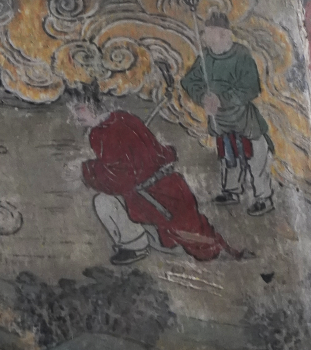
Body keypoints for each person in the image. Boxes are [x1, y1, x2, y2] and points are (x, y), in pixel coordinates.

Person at [68, 84, 239, 267]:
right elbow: (144, 158)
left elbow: (120, 179)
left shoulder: (100, 133)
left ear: (91, 104)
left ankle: (135, 246)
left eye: (79, 109)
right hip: (170, 192)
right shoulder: (123, 118)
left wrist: (85, 170)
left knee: (103, 201)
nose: (75, 116)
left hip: (155, 205)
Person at [180, 11, 274, 216]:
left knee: (255, 158)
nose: (205, 38)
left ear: (223, 34)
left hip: (245, 120)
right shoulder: (206, 58)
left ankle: (263, 198)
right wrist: (203, 97)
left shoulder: (241, 55)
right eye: (205, 33)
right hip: (221, 121)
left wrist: (221, 99)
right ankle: (232, 191)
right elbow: (188, 81)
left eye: (209, 33)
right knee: (228, 158)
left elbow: (251, 88)